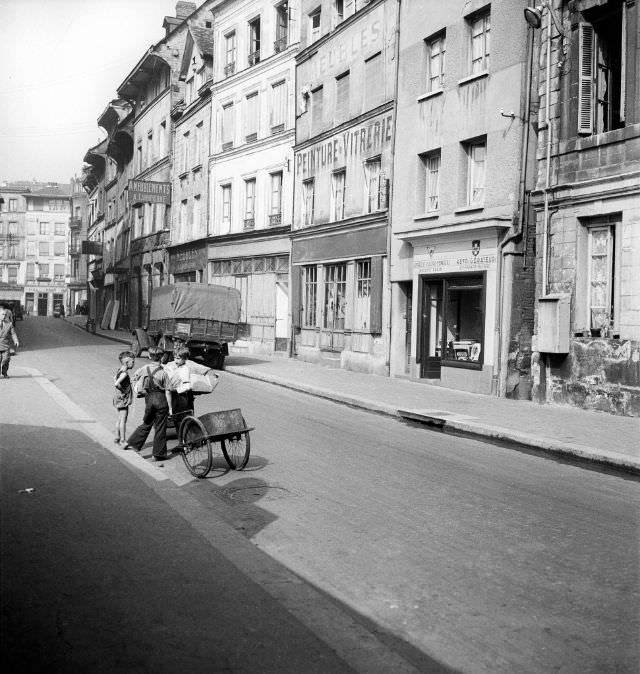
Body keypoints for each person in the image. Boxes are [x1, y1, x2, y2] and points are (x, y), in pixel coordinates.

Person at [124, 347, 173, 461]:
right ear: (162, 357)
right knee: (160, 427)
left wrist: (141, 389)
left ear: (150, 356)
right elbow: (168, 391)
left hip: (149, 399)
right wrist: (170, 408)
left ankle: (133, 444)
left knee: (147, 422)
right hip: (161, 400)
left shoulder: (144, 368)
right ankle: (157, 454)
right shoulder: (163, 373)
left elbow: (133, 378)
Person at [113, 350, 135, 446]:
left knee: (119, 418)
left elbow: (114, 378)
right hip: (123, 399)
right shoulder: (124, 373)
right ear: (127, 362)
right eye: (132, 361)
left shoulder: (120, 369)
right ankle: (123, 440)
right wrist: (124, 390)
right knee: (123, 419)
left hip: (117, 398)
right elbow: (116, 383)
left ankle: (117, 436)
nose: (134, 363)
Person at [0, 306, 19, 378]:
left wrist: (16, 340)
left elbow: (13, 333)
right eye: (2, 314)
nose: (4, 316)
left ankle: (4, 372)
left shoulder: (9, 324)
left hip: (5, 345)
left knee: (6, 359)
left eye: (5, 314)